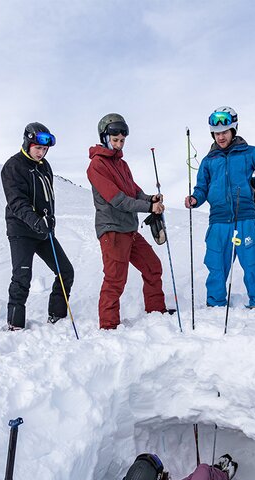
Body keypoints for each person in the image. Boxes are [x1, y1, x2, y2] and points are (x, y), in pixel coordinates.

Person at [186, 107, 255, 308]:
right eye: (217, 133)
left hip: (245, 217)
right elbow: (202, 188)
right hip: (219, 221)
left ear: (233, 131)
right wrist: (195, 199)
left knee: (252, 262)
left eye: (224, 132)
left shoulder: (249, 153)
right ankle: (215, 304)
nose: (220, 137)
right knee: (216, 265)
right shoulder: (208, 161)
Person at [86, 113, 169, 329]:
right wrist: (149, 207)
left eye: (122, 140)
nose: (119, 144)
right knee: (115, 279)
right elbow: (119, 200)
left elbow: (133, 191)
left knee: (152, 266)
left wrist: (150, 198)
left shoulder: (121, 164)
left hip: (129, 230)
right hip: (112, 231)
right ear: (105, 137)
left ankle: (156, 312)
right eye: (115, 140)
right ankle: (108, 326)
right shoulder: (97, 166)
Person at [0, 122, 74, 331]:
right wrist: (37, 221)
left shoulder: (44, 166)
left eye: (44, 149)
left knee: (65, 271)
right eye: (38, 148)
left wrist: (48, 222)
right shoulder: (13, 166)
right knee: (22, 277)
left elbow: (47, 199)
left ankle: (57, 317)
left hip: (43, 232)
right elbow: (17, 203)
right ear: (28, 142)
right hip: (21, 232)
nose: (41, 153)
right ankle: (15, 325)